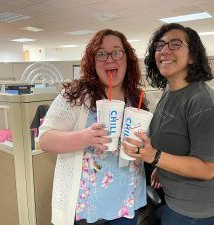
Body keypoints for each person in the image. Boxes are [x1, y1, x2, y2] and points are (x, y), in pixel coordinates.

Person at [122, 23, 214, 225]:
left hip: (200, 208)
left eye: (175, 44)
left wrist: (155, 157)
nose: (164, 50)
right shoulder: (171, 92)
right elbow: (175, 139)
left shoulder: (206, 105)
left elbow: (206, 169)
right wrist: (163, 167)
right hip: (178, 197)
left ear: (192, 56)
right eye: (159, 45)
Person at [39, 29, 148, 225]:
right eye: (101, 53)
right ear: (93, 60)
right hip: (87, 208)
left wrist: (144, 146)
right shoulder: (75, 95)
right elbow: (45, 140)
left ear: (127, 58)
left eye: (117, 52)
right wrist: (86, 137)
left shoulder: (136, 97)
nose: (109, 59)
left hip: (126, 202)